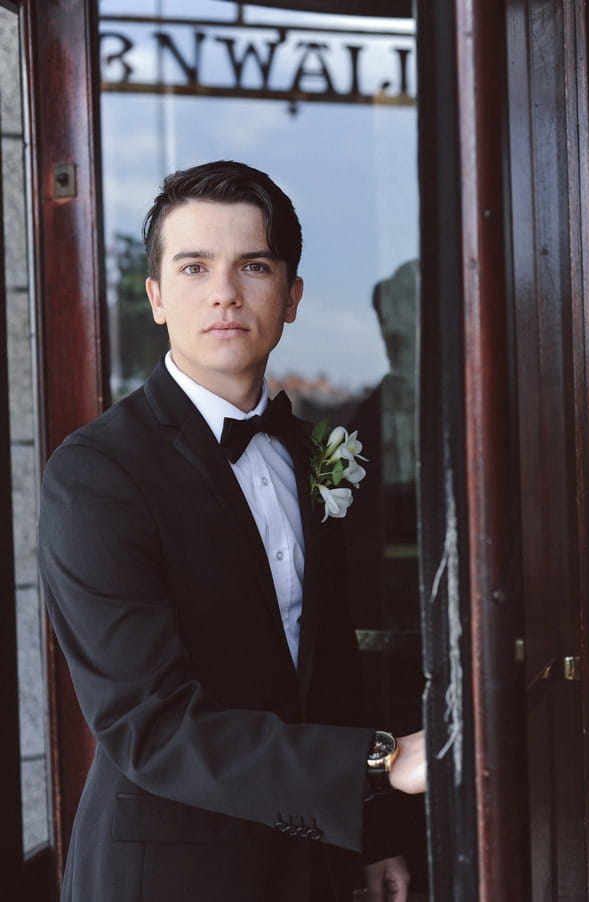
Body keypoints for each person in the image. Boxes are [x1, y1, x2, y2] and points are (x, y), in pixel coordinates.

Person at [38, 160, 426, 902]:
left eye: (253, 264)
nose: (223, 292)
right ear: (154, 297)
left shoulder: (313, 451)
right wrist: (378, 762)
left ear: (291, 297)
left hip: (314, 863)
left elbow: (331, 666)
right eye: (193, 267)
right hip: (170, 873)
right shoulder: (95, 475)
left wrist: (374, 841)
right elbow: (147, 725)